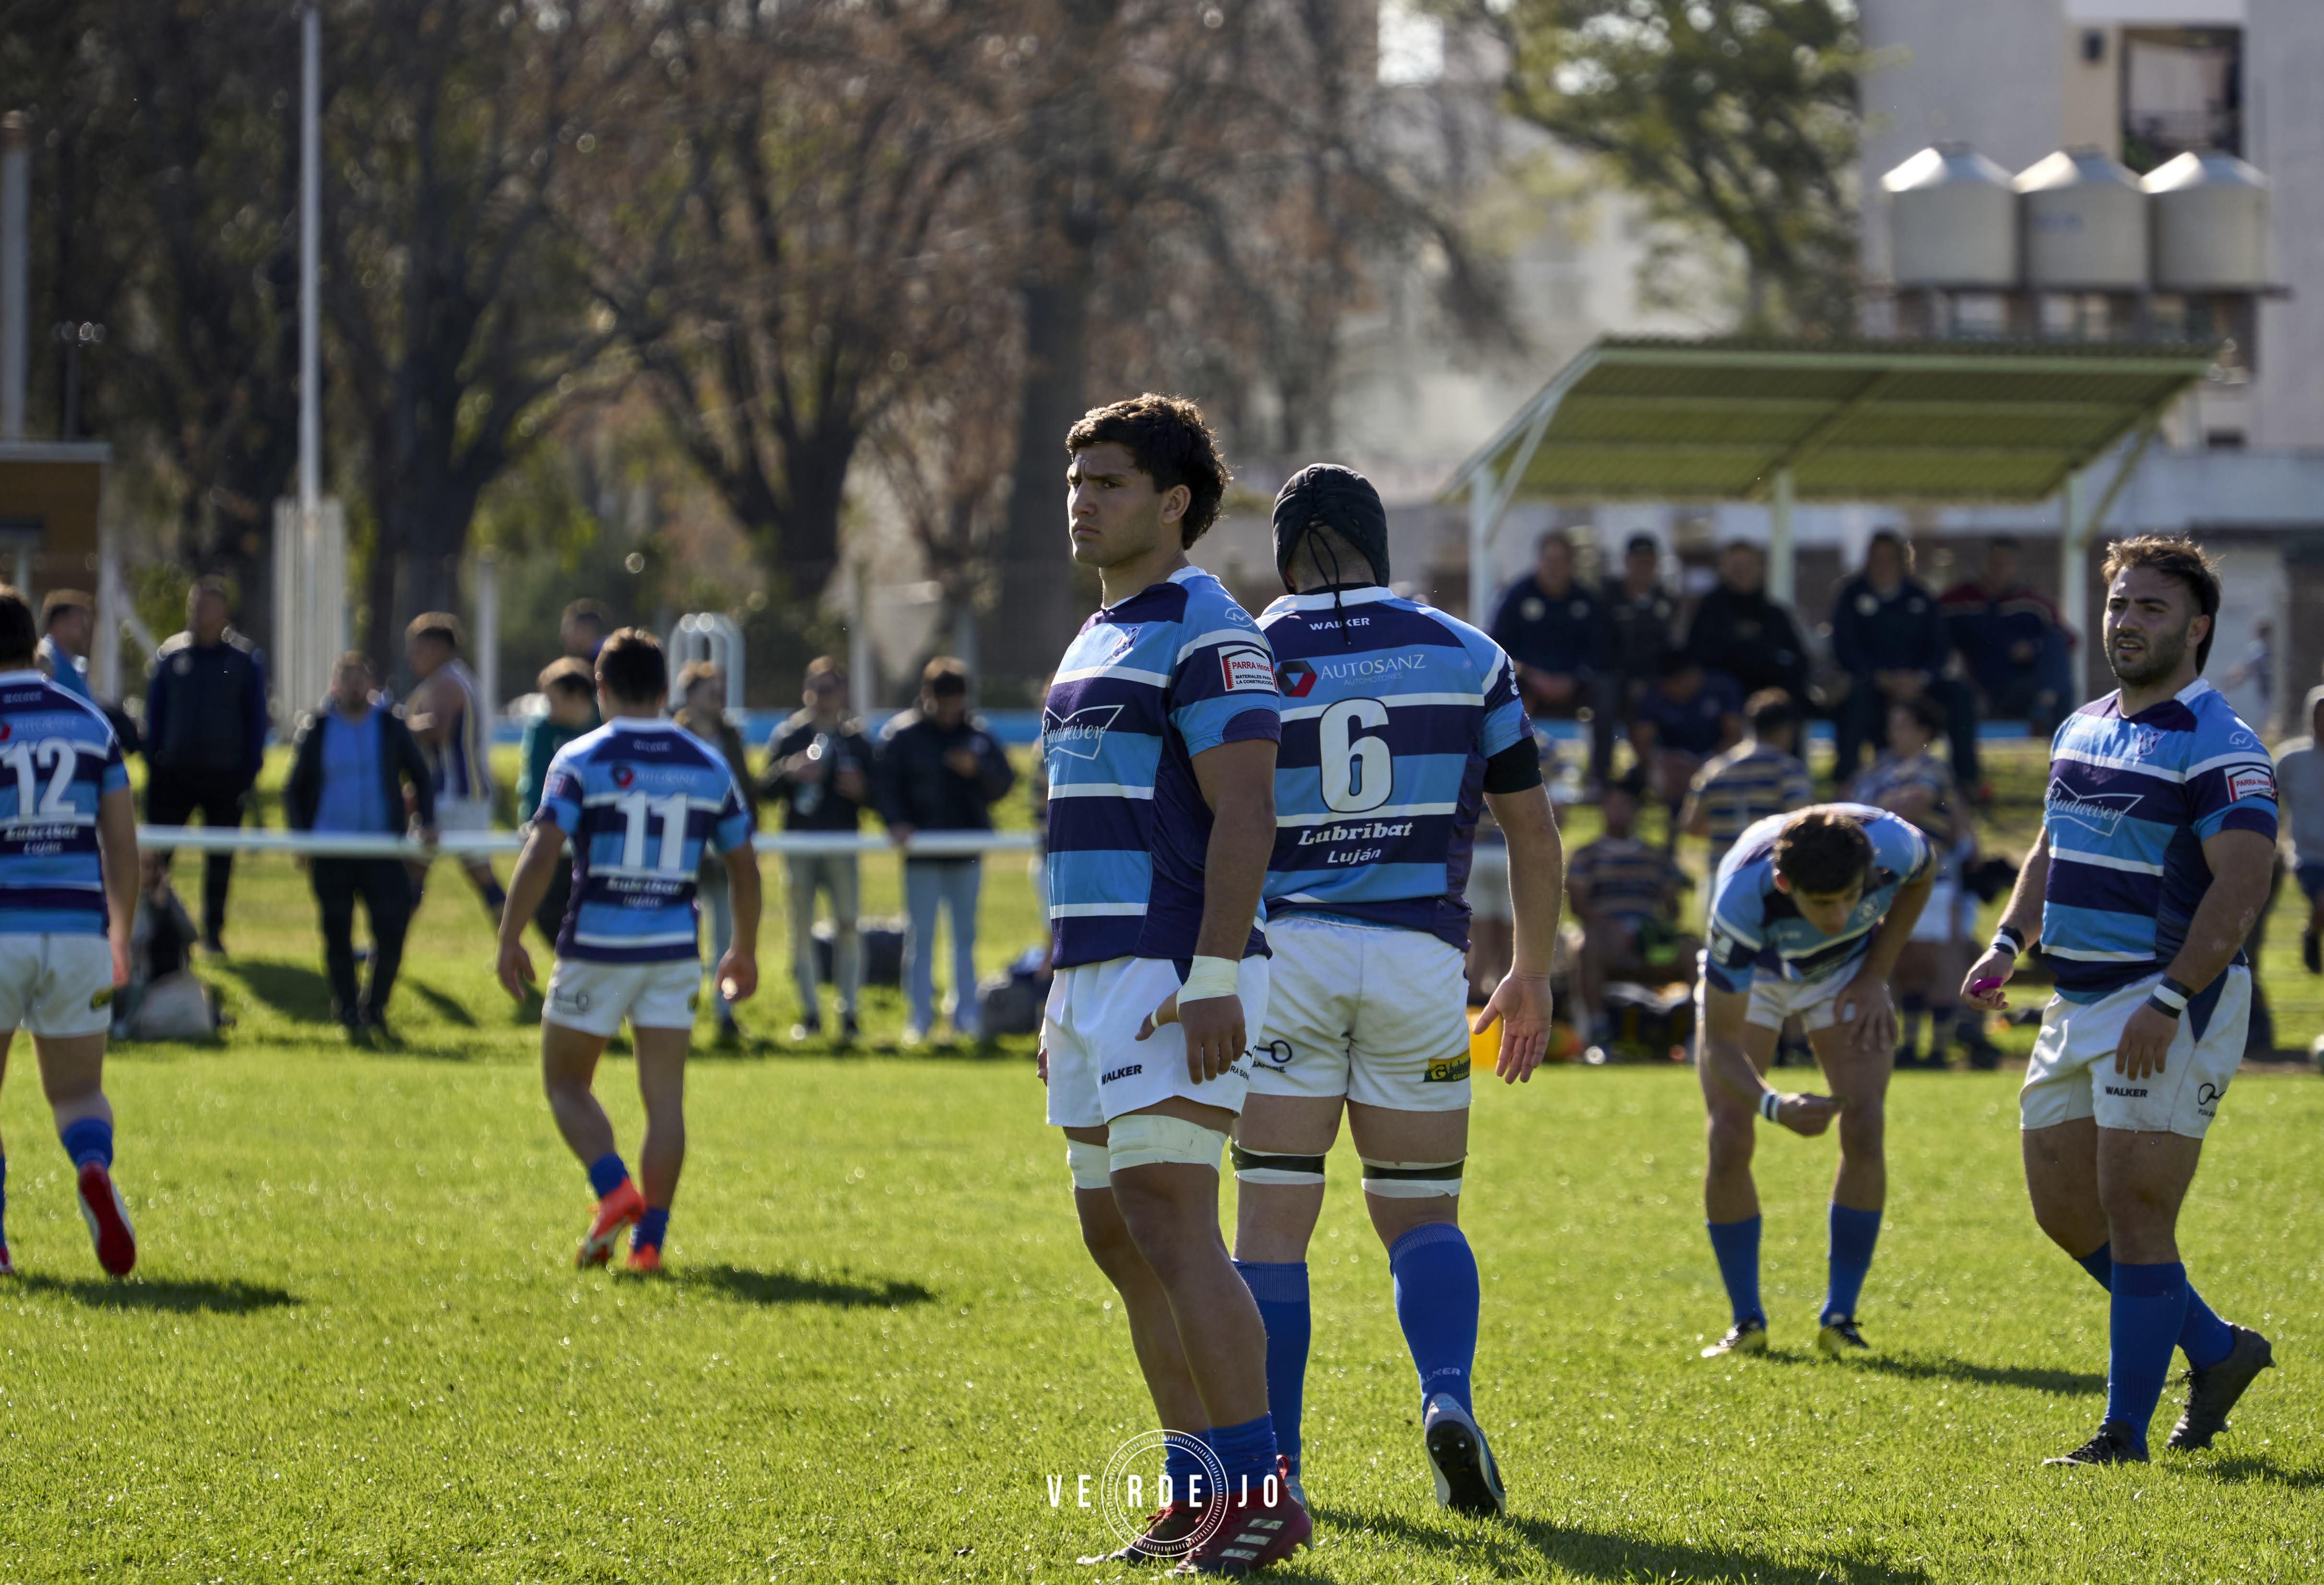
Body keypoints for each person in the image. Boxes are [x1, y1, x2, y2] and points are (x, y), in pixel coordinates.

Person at [1235, 464, 1563, 1519]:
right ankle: (1445, 1397)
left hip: (1285, 958)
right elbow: (1531, 829)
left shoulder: (1240, 654)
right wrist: (1531, 973)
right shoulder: (1471, 654)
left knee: (1272, 1224)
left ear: (1284, 550)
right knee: (1420, 1210)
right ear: (1382, 544)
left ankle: (1274, 1464)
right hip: (1421, 962)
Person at [1034, 393, 1307, 1570]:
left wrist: (1211, 972)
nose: (1083, 501)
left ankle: (1263, 1493)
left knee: (1171, 1218)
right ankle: (1194, 1489)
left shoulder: (1211, 625)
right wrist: (1057, 993)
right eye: (1076, 480)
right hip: (1088, 976)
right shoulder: (1094, 631)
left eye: (1108, 482)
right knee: (1119, 1234)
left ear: (1174, 500)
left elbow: (1247, 808)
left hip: (1170, 963)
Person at [1963, 536, 2279, 1467]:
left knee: (2136, 1212)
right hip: (2074, 998)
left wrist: (2172, 997)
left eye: (2149, 607)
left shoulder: (2221, 742)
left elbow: (2241, 885)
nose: (2127, 622)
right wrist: (2006, 940)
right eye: (2116, 605)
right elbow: (2048, 847)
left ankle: (2120, 1434)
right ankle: (2218, 1350)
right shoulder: (2081, 725)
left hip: (2165, 1000)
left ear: (2197, 626)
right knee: (2064, 1209)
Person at [494, 629, 760, 1275]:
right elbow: (743, 866)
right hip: (674, 948)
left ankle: (615, 1190)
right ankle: (650, 1243)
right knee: (664, 1101)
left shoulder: (580, 757)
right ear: (666, 689)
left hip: (597, 944)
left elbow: (542, 848)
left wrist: (508, 936)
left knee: (564, 1081)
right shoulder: (707, 763)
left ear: (601, 688)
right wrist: (743, 949)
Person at [1695, 805, 1935, 1359]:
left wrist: (1876, 975)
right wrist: (1774, 1106)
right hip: (1758, 973)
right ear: (1784, 884)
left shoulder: (1894, 846)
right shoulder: (1739, 902)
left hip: (1847, 971)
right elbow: (1721, 1047)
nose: (1839, 913)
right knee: (1729, 1132)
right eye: (1822, 903)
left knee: (1865, 1123)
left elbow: (1927, 872)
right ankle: (1745, 1322)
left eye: (1851, 898)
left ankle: (1840, 1318)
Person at [0, 586, 141, 1278]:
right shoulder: (90, 722)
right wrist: (121, 932)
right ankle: (91, 1165)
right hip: (79, 932)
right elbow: (122, 847)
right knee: (79, 1093)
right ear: (36, 642)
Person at [284, 653, 438, 1044]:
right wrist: (300, 839)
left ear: (370, 683)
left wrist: (427, 821)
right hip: (331, 849)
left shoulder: (390, 726)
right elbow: (294, 789)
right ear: (335, 685)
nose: (354, 686)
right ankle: (348, 1010)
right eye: (346, 678)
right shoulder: (316, 729)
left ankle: (377, 1007)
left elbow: (420, 775)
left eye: (360, 678)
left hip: (383, 849)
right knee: (336, 931)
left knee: (393, 927)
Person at [875, 656, 1015, 1046]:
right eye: (944, 702)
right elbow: (884, 788)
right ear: (928, 696)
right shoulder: (902, 736)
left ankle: (965, 1016)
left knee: (965, 937)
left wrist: (978, 770)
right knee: (919, 938)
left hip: (967, 853)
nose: (951, 711)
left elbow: (1004, 783)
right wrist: (896, 822)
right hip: (921, 855)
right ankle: (919, 1019)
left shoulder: (979, 735)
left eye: (957, 702)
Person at [1849, 693, 1989, 1069]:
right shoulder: (1880, 768)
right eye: (1892, 724)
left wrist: (1876, 810)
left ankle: (1940, 1049)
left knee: (1939, 960)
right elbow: (1853, 803)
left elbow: (1915, 802)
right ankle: (1909, 1044)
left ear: (1924, 731)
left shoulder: (1933, 767)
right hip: (1887, 879)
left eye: (1902, 725)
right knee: (1902, 960)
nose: (1893, 733)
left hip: (1933, 878)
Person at [143, 576, 267, 955]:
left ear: (224, 611)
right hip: (173, 776)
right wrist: (155, 763)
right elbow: (155, 715)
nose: (199, 611)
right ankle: (150, 928)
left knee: (220, 858)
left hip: (225, 776)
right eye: (195, 603)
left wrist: (248, 771)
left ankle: (213, 933)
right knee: (157, 857)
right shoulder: (171, 655)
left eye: (207, 604)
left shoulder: (243, 661)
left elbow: (256, 719)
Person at [763, 658, 875, 1045]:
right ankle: (810, 1013)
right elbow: (764, 789)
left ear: (842, 693)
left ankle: (850, 1012)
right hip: (799, 845)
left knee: (848, 927)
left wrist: (862, 789)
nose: (822, 698)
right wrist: (789, 772)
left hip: (843, 845)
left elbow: (877, 795)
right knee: (801, 930)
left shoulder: (856, 739)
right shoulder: (789, 736)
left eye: (829, 689)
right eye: (816, 689)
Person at [1830, 530, 1979, 792]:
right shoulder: (1851, 596)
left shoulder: (1920, 597)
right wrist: (1880, 677)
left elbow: (1940, 647)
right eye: (1877, 559)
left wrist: (1921, 677)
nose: (1883, 566)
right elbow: (1845, 649)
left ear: (1903, 562)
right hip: (1872, 684)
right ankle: (1847, 779)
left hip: (1919, 684)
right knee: (1853, 699)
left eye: (1890, 559)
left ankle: (1967, 780)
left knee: (1960, 695)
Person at [1565, 772, 1692, 1051]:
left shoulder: (1655, 855)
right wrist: (1613, 929)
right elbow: (1579, 905)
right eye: (1611, 805)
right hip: (1606, 937)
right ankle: (1598, 1032)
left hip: (1649, 938)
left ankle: (1695, 1033)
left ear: (1635, 811)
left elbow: (1672, 910)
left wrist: (1670, 897)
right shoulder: (1586, 855)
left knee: (1694, 951)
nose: (1616, 812)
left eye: (1623, 805)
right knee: (1587, 945)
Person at [1489, 532, 1615, 789]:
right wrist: (1533, 676)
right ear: (1539, 561)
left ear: (1572, 564)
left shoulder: (1587, 600)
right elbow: (1497, 648)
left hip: (1576, 684)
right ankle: (1513, 771)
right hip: (1529, 681)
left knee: (1607, 690)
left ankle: (1599, 779)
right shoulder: (1518, 596)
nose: (1554, 568)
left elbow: (1601, 649)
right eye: (1549, 560)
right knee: (1504, 692)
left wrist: (1575, 678)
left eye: (1562, 561)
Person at [675, 662, 758, 1047]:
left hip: (724, 854)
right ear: (690, 696)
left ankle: (725, 1015)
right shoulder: (674, 738)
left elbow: (746, 792)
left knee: (726, 936)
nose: (718, 698)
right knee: (682, 938)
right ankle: (678, 1017)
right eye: (710, 690)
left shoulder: (731, 737)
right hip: (685, 856)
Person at [404, 613, 507, 921]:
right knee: (479, 875)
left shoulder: (446, 681)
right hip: (464, 795)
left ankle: (386, 949)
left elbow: (437, 730)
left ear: (437, 648)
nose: (411, 657)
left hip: (455, 796)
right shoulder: (455, 677)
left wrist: (395, 729)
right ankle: (512, 944)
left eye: (417, 649)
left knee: (413, 870)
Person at [1938, 536, 2075, 734]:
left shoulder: (2032, 605)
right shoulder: (1960, 602)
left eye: (2006, 564)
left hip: (2019, 685)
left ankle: (2053, 729)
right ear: (1984, 564)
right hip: (1977, 683)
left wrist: (2032, 648)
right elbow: (1930, 624)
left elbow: (2068, 640)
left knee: (2056, 649)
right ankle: (2045, 714)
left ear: (2016, 567)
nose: (1999, 569)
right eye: (1995, 563)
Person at [1682, 688, 1814, 879]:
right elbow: (1802, 821)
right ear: (1785, 730)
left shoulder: (1713, 770)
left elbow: (1691, 826)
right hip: (1770, 875)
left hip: (1722, 873)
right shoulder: (1787, 769)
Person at [516, 659, 599, 949]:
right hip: (555, 835)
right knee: (548, 912)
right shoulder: (542, 730)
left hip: (598, 841)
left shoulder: (607, 727)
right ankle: (575, 962)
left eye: (553, 701)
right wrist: (534, 824)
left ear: (578, 697)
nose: (548, 710)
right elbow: (536, 782)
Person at [1684, 541, 1810, 709]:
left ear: (1759, 568)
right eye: (1736, 566)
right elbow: (1697, 659)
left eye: (1747, 566)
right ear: (1723, 569)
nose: (1742, 572)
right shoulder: (1708, 612)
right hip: (1721, 705)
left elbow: (1798, 661)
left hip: (1770, 703)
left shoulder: (1775, 615)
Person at [1629, 648, 1742, 832]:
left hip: (1715, 759)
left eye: (1678, 682)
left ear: (1693, 674)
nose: (1674, 690)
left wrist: (1709, 765)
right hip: (1671, 760)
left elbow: (1735, 737)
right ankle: (1670, 831)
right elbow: (1643, 740)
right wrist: (1659, 761)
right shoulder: (1655, 693)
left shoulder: (1721, 688)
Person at [2274, 684, 2324, 979]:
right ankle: (2311, 935)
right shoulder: (2291, 760)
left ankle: (2312, 933)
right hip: (2308, 854)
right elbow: (2270, 801)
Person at [1602, 533, 1680, 711]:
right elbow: (1604, 644)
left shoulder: (1667, 600)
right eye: (1639, 563)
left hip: (1656, 676)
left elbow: (1669, 645)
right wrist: (1628, 678)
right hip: (1616, 675)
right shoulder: (1608, 598)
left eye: (1649, 563)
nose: (1644, 569)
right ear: (1627, 562)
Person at [36, 589, 95, 703]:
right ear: (59, 624)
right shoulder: (44, 658)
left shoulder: (75, 663)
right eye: (78, 622)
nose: (85, 627)